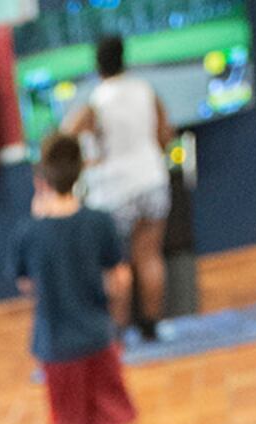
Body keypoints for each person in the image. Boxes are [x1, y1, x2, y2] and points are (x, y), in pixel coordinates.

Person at [9, 132, 135, 424]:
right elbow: (120, 279)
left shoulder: (27, 234)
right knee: (108, 423)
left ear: (40, 179)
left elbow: (26, 285)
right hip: (98, 338)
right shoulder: (98, 222)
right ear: (81, 170)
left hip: (55, 347)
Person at [62, 34, 174, 341]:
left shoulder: (96, 102)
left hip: (115, 192)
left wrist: (91, 162)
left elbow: (65, 138)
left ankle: (117, 334)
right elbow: (166, 133)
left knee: (116, 266)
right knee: (150, 256)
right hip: (152, 181)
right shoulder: (145, 91)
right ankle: (151, 327)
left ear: (97, 64)